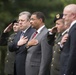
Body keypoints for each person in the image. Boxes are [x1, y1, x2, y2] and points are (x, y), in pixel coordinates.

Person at [60, 4, 76, 75]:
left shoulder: (74, 29)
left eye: (65, 15)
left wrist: (67, 72)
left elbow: (73, 53)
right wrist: (62, 44)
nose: (63, 17)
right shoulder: (72, 28)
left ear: (73, 15)